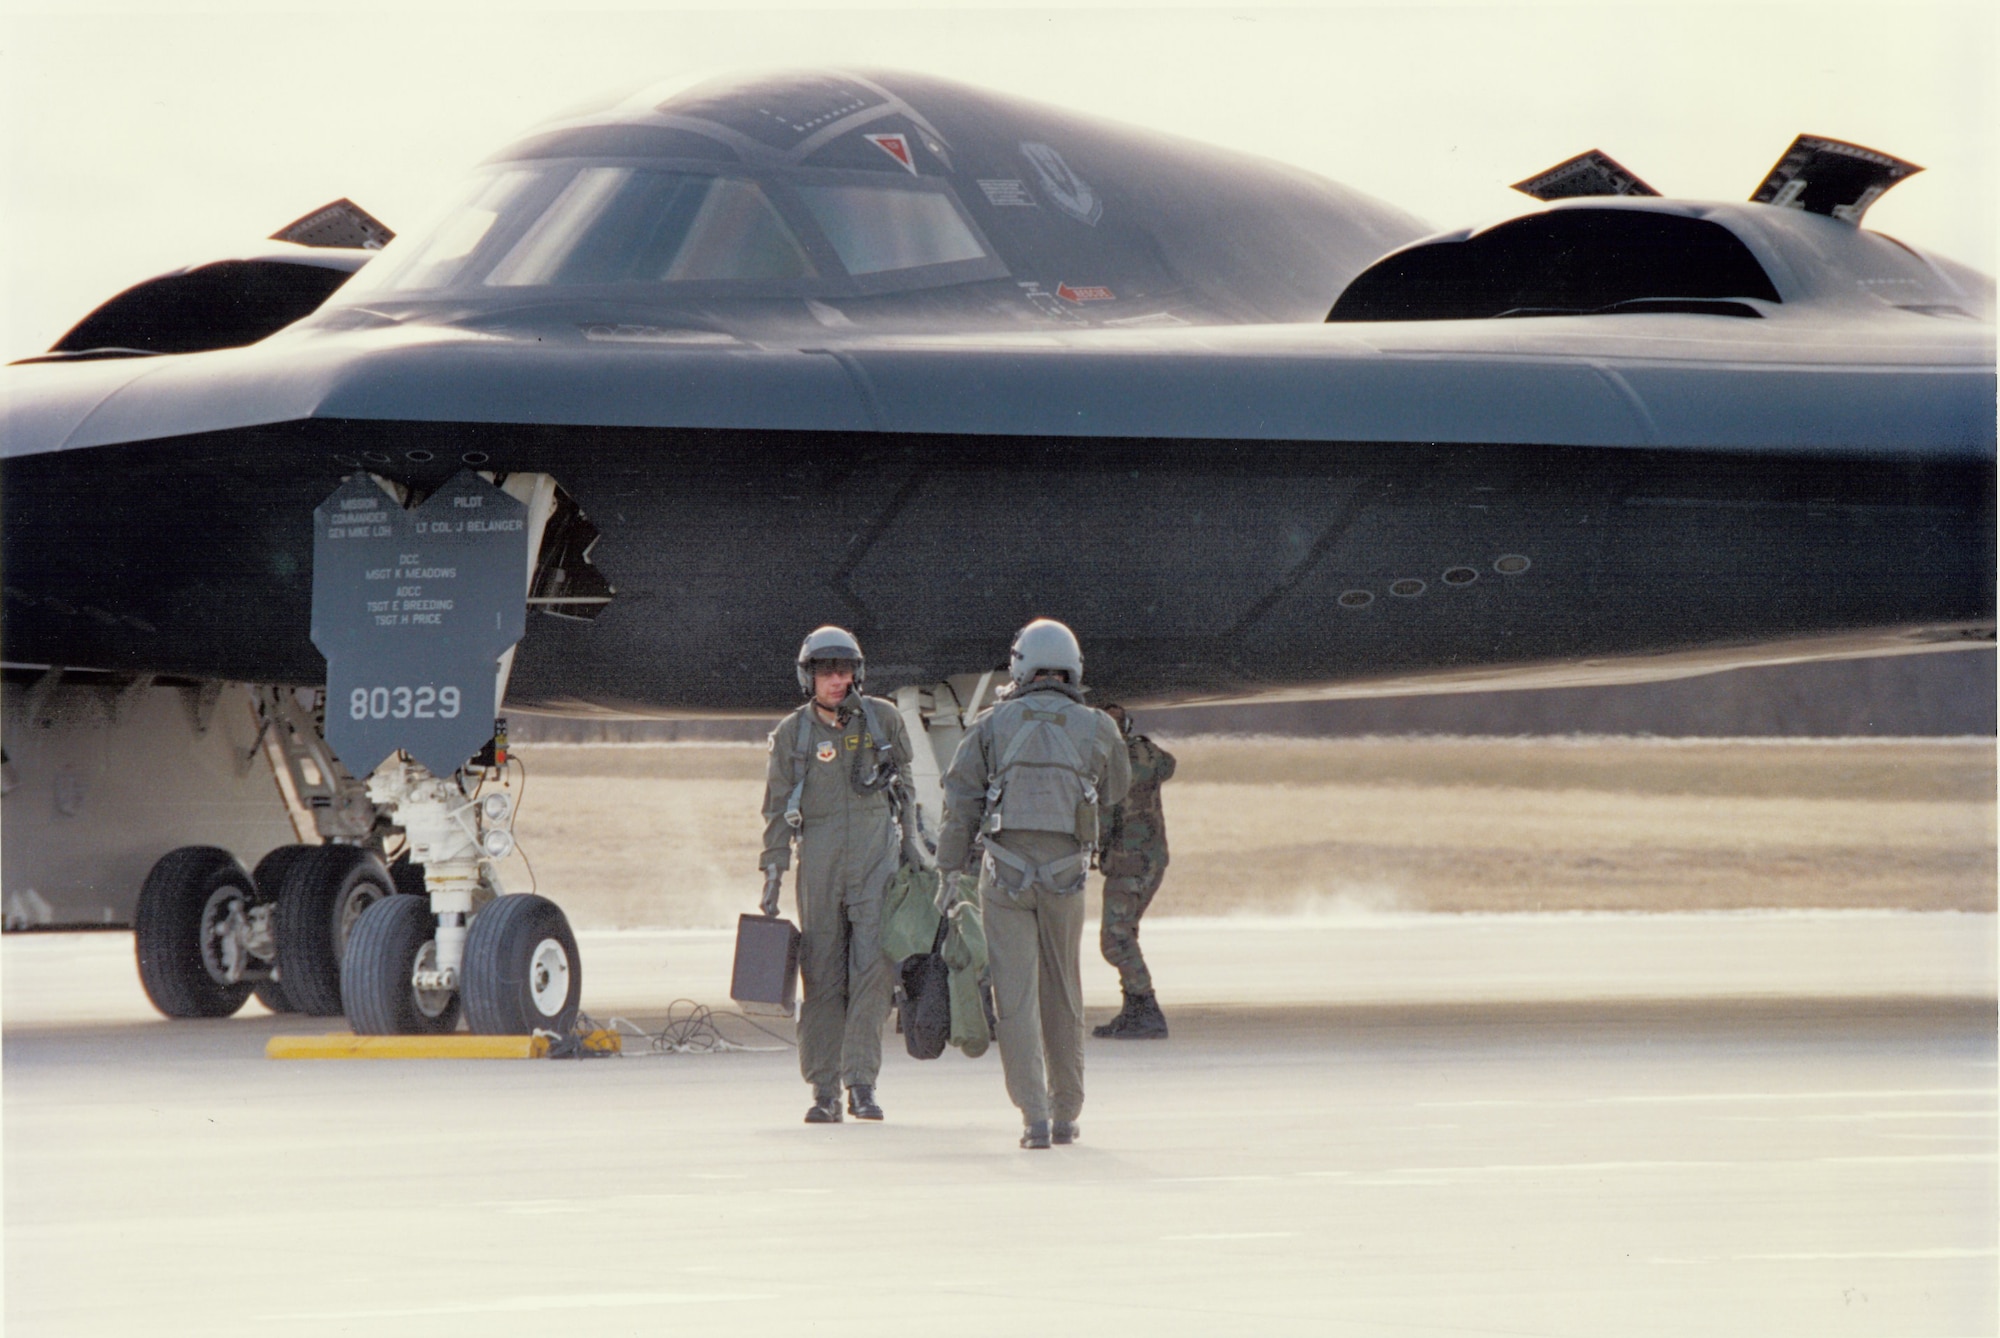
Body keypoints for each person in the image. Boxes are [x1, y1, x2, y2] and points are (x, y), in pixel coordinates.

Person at [935, 619, 1130, 1149]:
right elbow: (1114, 792)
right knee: (1063, 992)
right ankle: (1068, 1112)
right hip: (1067, 878)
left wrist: (949, 873)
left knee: (1015, 999)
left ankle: (1035, 1118)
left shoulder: (991, 724)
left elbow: (960, 806)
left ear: (1019, 665)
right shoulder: (1098, 728)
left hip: (1005, 877)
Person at [759, 626, 916, 1124]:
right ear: (809, 677)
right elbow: (777, 810)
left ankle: (862, 1083)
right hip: (820, 860)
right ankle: (823, 1090)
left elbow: (907, 791)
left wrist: (916, 855)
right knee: (822, 975)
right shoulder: (793, 734)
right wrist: (773, 872)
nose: (836, 681)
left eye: (844, 671)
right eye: (826, 672)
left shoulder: (884, 721)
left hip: (876, 858)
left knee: (872, 972)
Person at [1091, 705, 1177, 1039]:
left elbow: (1103, 820)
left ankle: (1145, 1007)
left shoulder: (1109, 766)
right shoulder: (1145, 753)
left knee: (1115, 940)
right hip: (1153, 859)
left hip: (1129, 863)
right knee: (1126, 933)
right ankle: (1135, 1008)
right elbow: (1169, 765)